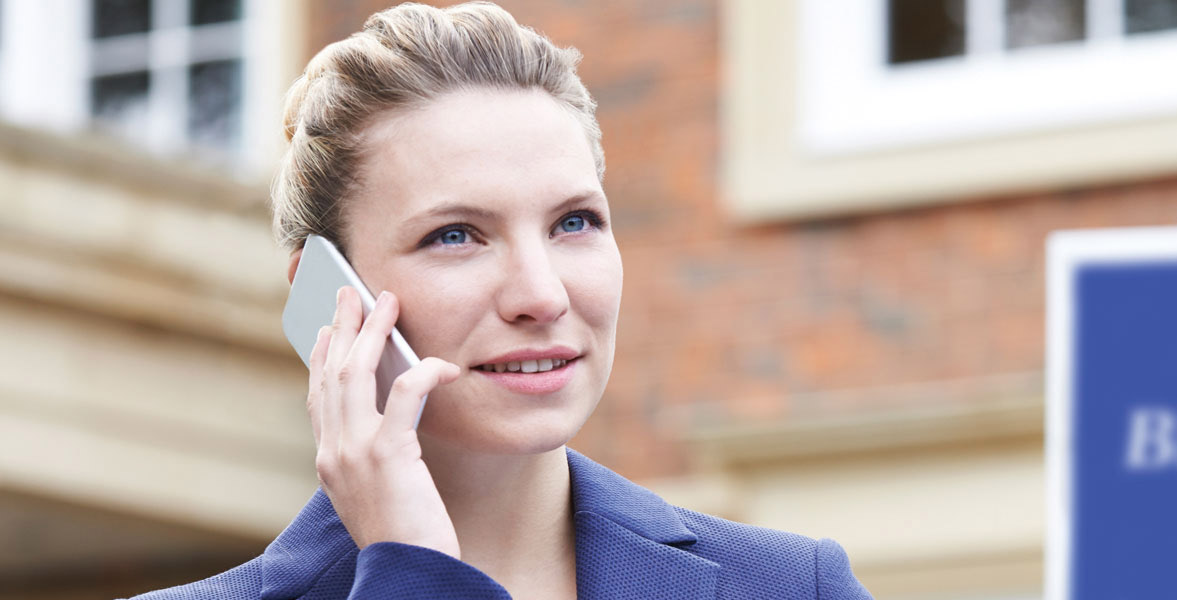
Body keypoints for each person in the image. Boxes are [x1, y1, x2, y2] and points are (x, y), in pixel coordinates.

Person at [128, 2, 872, 599]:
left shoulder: (790, 586)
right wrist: (412, 572)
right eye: (457, 235)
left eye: (573, 223)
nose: (542, 295)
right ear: (329, 297)